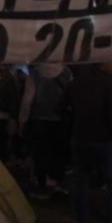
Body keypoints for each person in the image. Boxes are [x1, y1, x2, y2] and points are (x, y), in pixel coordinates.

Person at [66, 62, 112, 223]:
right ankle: (111, 218)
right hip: (104, 138)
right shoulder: (111, 84)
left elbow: (61, 106)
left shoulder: (76, 82)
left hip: (79, 136)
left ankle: (81, 218)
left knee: (81, 179)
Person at [21, 63, 72, 198]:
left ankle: (41, 184)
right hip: (60, 120)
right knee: (59, 153)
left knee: (40, 152)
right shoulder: (66, 72)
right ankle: (58, 183)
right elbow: (71, 96)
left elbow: (27, 100)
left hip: (39, 118)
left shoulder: (36, 74)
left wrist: (23, 120)